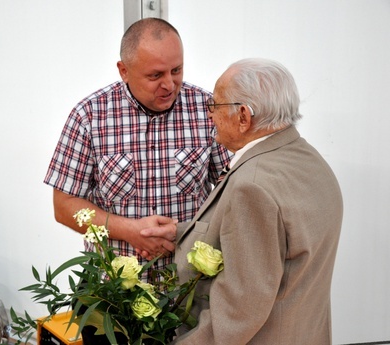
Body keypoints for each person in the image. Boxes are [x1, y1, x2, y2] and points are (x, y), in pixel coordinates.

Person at [43, 17, 231, 344]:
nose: (169, 84)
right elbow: (64, 206)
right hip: (112, 300)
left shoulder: (207, 110)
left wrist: (186, 233)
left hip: (189, 297)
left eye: (177, 70)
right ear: (124, 71)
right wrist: (131, 231)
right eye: (155, 75)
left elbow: (235, 193)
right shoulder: (90, 116)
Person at [145, 58, 343, 344]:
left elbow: (239, 310)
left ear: (243, 116)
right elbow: (277, 241)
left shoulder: (252, 185)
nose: (210, 115)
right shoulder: (310, 161)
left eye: (215, 105)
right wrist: (182, 232)